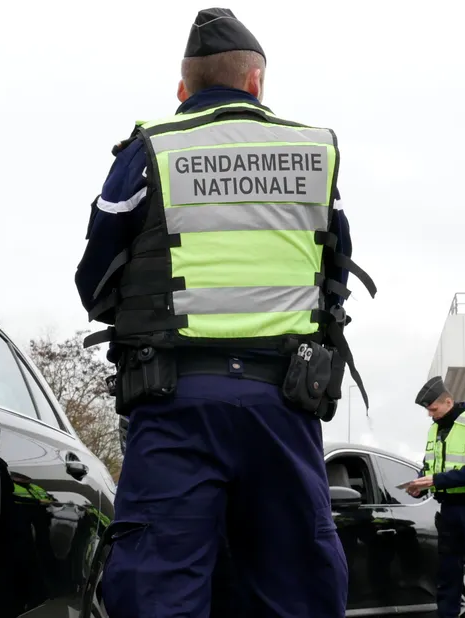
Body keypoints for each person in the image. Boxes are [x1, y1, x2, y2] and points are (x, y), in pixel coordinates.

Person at [74, 7, 376, 618]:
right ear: (256, 81)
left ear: (183, 88)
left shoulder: (151, 149)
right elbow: (334, 274)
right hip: (285, 407)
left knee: (160, 586)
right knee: (296, 588)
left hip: (174, 404)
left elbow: (95, 279)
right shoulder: (314, 154)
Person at [405, 377, 465, 618]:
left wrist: (436, 481)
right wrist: (420, 482)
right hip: (449, 510)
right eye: (428, 410)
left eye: (434, 408)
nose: (431, 414)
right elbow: (430, 466)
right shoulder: (435, 429)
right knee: (447, 575)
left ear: (448, 401)